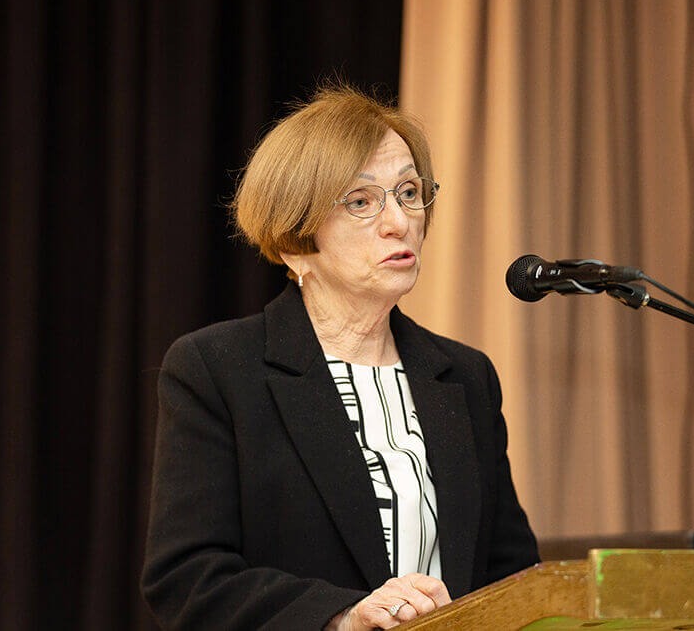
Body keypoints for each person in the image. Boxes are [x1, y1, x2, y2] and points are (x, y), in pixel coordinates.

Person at [141, 85, 539, 630]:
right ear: (295, 239)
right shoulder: (217, 370)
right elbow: (187, 578)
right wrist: (342, 617)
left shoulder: (466, 377)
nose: (399, 221)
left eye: (409, 192)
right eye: (361, 201)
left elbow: (512, 573)